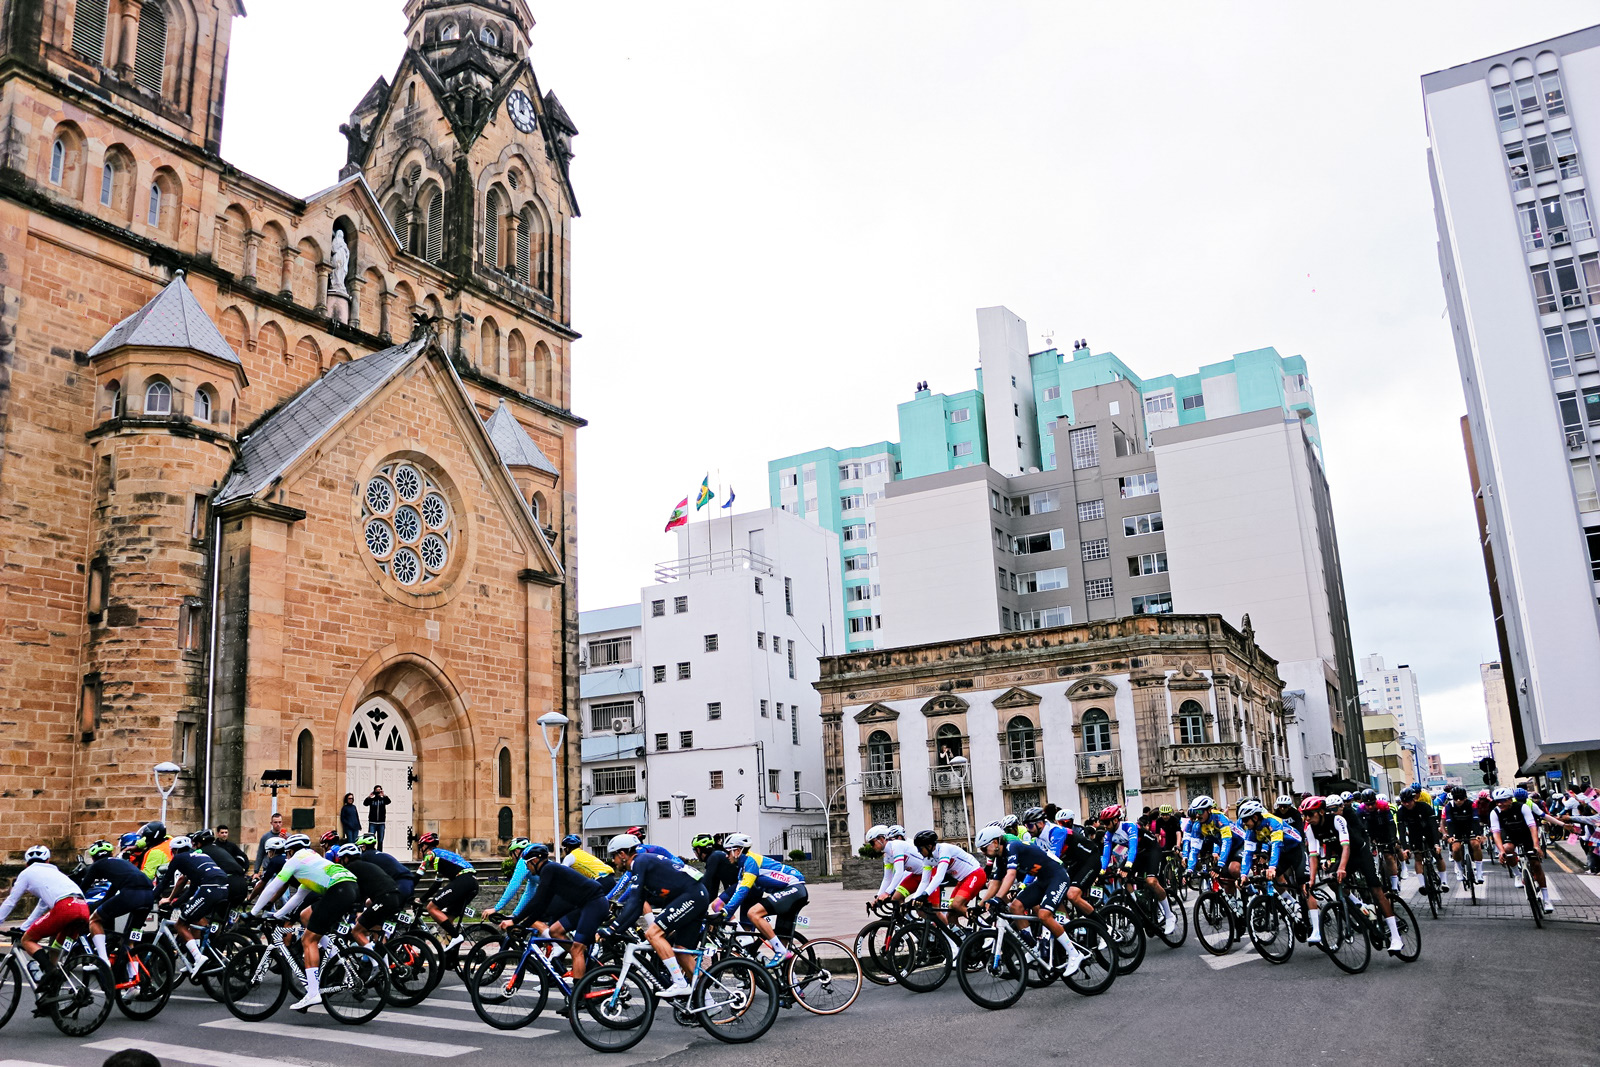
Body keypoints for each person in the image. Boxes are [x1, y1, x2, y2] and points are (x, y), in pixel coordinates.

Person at [250, 837, 361, 1011]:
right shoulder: (311, 861)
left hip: (339, 889)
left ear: (291, 851)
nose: (286, 857)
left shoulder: (295, 860)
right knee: (306, 916)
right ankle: (335, 956)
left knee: (308, 940)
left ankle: (313, 993)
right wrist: (277, 915)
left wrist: (253, 913)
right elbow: (298, 896)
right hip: (350, 886)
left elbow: (271, 888)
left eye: (287, 853)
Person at [603, 833, 708, 999]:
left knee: (653, 933)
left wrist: (612, 928)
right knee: (681, 951)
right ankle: (706, 1002)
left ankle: (680, 983)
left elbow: (634, 900)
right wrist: (615, 930)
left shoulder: (640, 862)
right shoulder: (643, 865)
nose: (613, 861)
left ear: (622, 854)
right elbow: (636, 906)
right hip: (696, 895)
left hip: (693, 895)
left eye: (613, 856)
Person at [974, 825, 1088, 975]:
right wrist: (981, 906)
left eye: (984, 848)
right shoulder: (1000, 858)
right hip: (1042, 880)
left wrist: (997, 899)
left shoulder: (1011, 847)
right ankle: (1034, 949)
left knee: (1044, 915)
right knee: (1016, 907)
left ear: (995, 843)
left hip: (1057, 877)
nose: (983, 853)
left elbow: (1011, 875)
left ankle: (1074, 954)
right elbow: (995, 883)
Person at [1306, 794, 1403, 952]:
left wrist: (1342, 868)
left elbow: (1346, 846)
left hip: (1360, 852)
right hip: (1347, 857)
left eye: (1309, 814)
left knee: (1376, 890)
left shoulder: (1338, 820)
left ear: (1321, 812)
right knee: (1331, 880)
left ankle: (1396, 937)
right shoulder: (1311, 829)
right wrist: (1311, 880)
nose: (1306, 818)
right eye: (1304, 815)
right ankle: (1360, 905)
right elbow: (1312, 856)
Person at [502, 842, 608, 986]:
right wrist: (523, 926)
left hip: (594, 904)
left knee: (577, 949)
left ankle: (578, 998)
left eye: (527, 863)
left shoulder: (549, 869)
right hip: (584, 906)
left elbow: (536, 900)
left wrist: (515, 921)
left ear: (534, 861)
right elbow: (541, 906)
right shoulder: (549, 872)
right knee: (554, 931)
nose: (526, 867)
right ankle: (580, 960)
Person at [0, 846, 91, 1008]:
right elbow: (42, 906)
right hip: (83, 907)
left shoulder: (27, 873)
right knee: (55, 953)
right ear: (48, 860)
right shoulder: (55, 873)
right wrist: (26, 925)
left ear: (27, 863)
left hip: (65, 907)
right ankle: (50, 1001)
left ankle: (50, 971)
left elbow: (11, 901)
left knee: (27, 939)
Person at [713, 833, 807, 964]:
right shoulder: (743, 868)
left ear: (738, 851)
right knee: (782, 950)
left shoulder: (750, 862)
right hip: (790, 891)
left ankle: (781, 950)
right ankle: (791, 982)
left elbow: (742, 891)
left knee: (753, 913)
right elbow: (738, 891)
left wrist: (726, 911)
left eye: (728, 852)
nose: (726, 855)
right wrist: (726, 911)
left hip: (794, 888)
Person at [156, 836, 231, 977]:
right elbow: (192, 889)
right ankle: (194, 959)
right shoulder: (200, 855)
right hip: (224, 888)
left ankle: (198, 957)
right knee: (195, 919)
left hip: (210, 888)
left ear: (175, 851)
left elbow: (165, 881)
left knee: (180, 924)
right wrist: (174, 903)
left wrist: (152, 897)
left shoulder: (178, 858)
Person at [1097, 804, 1177, 934]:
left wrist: (1128, 865)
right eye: (1102, 823)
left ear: (1116, 820)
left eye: (1106, 822)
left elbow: (1133, 847)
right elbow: (1106, 855)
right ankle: (1139, 907)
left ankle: (1169, 916)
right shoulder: (1108, 835)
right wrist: (1101, 871)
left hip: (1151, 850)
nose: (1105, 825)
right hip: (1139, 853)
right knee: (1126, 880)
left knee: (1151, 881)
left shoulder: (1130, 826)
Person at [78, 839, 154, 973]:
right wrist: (103, 904)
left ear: (94, 857)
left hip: (131, 894)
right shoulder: (122, 863)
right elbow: (112, 890)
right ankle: (134, 982)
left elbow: (82, 889)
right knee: (130, 942)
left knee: (95, 920)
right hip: (149, 896)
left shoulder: (97, 865)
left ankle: (102, 961)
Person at [1489, 786, 1553, 913]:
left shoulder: (1522, 807)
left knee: (1536, 864)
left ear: (1510, 800)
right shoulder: (1495, 812)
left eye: (1502, 801)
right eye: (1497, 801)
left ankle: (1546, 899)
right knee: (1508, 849)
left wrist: (1536, 845)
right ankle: (1517, 874)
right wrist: (1501, 851)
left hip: (1526, 835)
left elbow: (1532, 826)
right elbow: (1496, 833)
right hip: (1509, 835)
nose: (1499, 804)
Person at [416, 832, 479, 951]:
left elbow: (417, 876)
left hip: (464, 880)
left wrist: (409, 891)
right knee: (448, 920)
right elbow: (436, 885)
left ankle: (456, 937)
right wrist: (421, 899)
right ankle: (450, 954)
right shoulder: (441, 858)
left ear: (425, 846)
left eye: (420, 847)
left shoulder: (430, 854)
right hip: (472, 882)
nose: (420, 851)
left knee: (432, 908)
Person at [907, 829, 985, 923]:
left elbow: (939, 876)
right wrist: (915, 898)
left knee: (957, 905)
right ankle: (961, 937)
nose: (919, 852)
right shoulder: (927, 859)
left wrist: (925, 894)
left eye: (920, 849)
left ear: (929, 846)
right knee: (951, 913)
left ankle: (989, 929)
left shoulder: (944, 850)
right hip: (962, 880)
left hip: (975, 873)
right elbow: (924, 881)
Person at [334, 843, 401, 947]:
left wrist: (358, 911)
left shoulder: (351, 868)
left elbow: (355, 892)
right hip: (394, 895)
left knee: (356, 932)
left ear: (346, 858)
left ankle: (375, 960)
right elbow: (363, 892)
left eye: (341, 859)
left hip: (384, 898)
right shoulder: (364, 865)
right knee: (375, 928)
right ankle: (383, 959)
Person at [1396, 787, 1447, 893]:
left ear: (1414, 799)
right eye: (1404, 802)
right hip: (1415, 834)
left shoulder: (1425, 807)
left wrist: (1437, 844)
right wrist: (1405, 848)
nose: (1407, 804)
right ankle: (1422, 884)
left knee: (1437, 855)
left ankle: (1444, 881)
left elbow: (1433, 826)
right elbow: (1401, 831)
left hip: (1429, 831)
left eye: (1409, 801)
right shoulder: (1401, 812)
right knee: (1418, 857)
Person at [1441, 786, 1486, 886]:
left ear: (1465, 798)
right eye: (1456, 798)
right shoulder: (1449, 806)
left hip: (1469, 826)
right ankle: (1460, 870)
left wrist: (1478, 834)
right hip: (1456, 828)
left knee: (1475, 844)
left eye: (1461, 798)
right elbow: (1449, 821)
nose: (1458, 801)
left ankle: (1479, 873)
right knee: (1456, 848)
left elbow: (1475, 819)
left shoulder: (1471, 804)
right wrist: (1451, 836)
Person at [193, 828, 250, 907]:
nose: (194, 847)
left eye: (195, 844)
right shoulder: (219, 849)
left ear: (199, 843)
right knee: (223, 914)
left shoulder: (200, 852)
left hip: (228, 885)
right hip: (242, 884)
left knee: (200, 910)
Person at [867, 824, 922, 902]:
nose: (872, 846)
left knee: (919, 905)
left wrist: (887, 892)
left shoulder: (896, 846)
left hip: (929, 873)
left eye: (872, 843)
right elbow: (887, 878)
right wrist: (878, 897)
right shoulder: (887, 855)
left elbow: (899, 873)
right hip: (916, 875)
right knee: (896, 898)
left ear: (881, 839)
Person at [356, 833, 416, 901]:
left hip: (399, 883)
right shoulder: (378, 854)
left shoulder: (365, 856)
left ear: (363, 847)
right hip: (407, 882)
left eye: (360, 847)